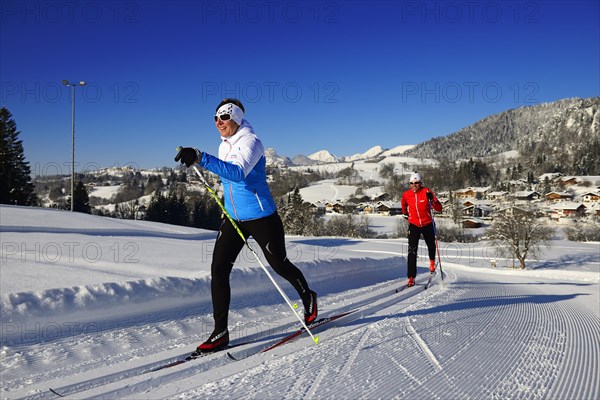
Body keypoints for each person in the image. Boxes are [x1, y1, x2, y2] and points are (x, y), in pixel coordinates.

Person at [175, 98, 317, 353]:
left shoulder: (252, 142)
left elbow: (238, 172)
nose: (219, 122)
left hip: (261, 217)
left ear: (237, 118)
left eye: (224, 117)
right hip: (233, 218)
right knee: (218, 268)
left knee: (279, 264)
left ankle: (308, 296)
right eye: (216, 118)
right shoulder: (224, 145)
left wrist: (200, 156)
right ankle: (220, 332)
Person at [400, 172, 442, 287]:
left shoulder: (427, 192)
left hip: (427, 223)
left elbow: (439, 208)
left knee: (431, 245)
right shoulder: (406, 194)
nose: (414, 185)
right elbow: (403, 204)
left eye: (416, 183)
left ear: (420, 183)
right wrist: (404, 213)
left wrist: (432, 201)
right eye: (412, 183)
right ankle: (411, 277)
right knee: (412, 251)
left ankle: (432, 263)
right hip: (414, 224)